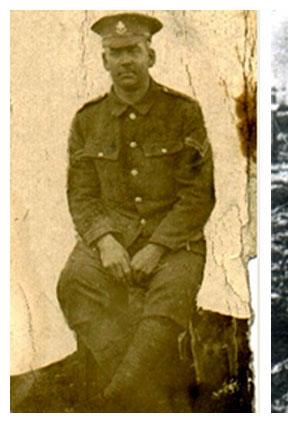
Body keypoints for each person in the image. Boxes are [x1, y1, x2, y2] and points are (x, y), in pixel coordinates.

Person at [56, 12, 215, 412]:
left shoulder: (183, 112)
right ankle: (139, 392)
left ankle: (112, 401)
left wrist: (158, 247)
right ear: (104, 60)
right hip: (112, 238)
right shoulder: (87, 120)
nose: (125, 60)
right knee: (74, 284)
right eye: (116, 52)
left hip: (176, 242)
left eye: (134, 51)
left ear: (151, 56)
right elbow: (81, 193)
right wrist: (104, 242)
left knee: (166, 303)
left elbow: (198, 195)